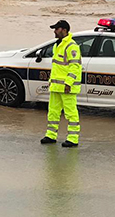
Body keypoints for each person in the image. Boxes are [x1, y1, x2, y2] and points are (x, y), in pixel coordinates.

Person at [40, 20, 82, 148]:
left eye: (56, 29)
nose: (54, 31)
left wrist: (68, 83)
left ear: (64, 30)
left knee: (71, 113)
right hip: (56, 86)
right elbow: (58, 68)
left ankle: (73, 138)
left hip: (66, 87)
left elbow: (75, 67)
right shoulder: (58, 45)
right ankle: (51, 136)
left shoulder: (71, 46)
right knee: (53, 112)